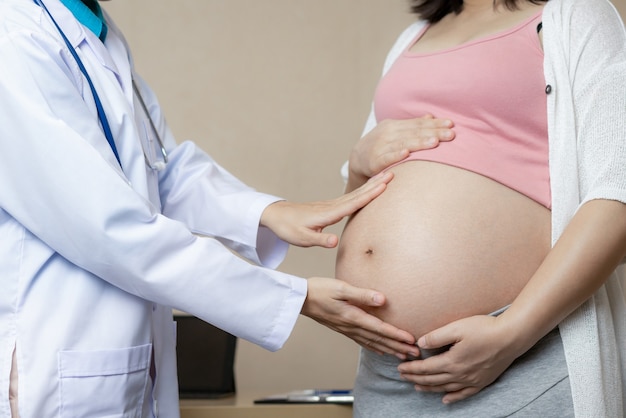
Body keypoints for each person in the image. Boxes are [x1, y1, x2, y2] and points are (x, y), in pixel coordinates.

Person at [0, 0, 426, 416]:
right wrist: (296, 298)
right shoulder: (14, 33)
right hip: (57, 354)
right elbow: (109, 227)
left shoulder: (96, 28)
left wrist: (270, 212)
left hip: (117, 361)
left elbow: (161, 168)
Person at [336, 0, 626, 416]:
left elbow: (616, 193)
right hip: (387, 375)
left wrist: (511, 332)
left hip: (522, 354)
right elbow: (362, 198)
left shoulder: (574, 14)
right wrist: (358, 164)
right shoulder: (412, 37)